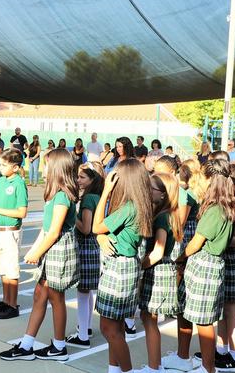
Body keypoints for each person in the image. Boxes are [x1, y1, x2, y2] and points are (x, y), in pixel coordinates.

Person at [0, 149, 78, 361]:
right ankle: (26, 345)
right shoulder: (55, 194)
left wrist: (36, 252)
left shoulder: (62, 196)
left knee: (56, 297)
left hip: (58, 250)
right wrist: (36, 250)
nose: (43, 169)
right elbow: (47, 229)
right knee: (40, 295)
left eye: (47, 165)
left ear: (57, 168)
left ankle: (59, 346)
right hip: (51, 250)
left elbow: (54, 232)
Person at [177, 159, 235, 373]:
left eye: (203, 177)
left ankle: (208, 368)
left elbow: (196, 243)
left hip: (205, 264)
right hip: (209, 264)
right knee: (192, 314)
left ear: (211, 180)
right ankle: (195, 362)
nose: (199, 182)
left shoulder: (215, 209)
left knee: (204, 322)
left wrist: (179, 258)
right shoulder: (226, 204)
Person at [92, 159, 153, 373]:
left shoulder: (129, 207)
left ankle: (126, 370)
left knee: (108, 328)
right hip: (125, 267)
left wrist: (106, 191)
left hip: (119, 269)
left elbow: (97, 226)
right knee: (116, 327)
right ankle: (114, 369)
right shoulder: (138, 204)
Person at [139, 172, 183, 372]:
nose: (147, 190)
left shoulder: (162, 217)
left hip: (157, 271)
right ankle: (154, 365)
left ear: (163, 194)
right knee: (149, 319)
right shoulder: (168, 214)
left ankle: (154, 366)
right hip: (162, 270)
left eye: (151, 188)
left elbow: (158, 252)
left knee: (149, 319)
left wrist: (138, 265)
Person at [0, 149, 29, 320]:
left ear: (16, 167)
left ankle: (12, 304)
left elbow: (21, 212)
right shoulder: (2, 181)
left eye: (4, 165)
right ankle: (5, 300)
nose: (0, 168)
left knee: (11, 270)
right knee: (2, 268)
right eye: (0, 164)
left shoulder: (18, 183)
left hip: (11, 231)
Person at [67, 164, 105, 348]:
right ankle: (86, 328)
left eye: (82, 177)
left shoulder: (89, 198)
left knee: (83, 291)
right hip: (94, 246)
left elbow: (86, 228)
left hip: (86, 245)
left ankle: (82, 336)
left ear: (92, 180)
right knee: (87, 291)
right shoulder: (98, 196)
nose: (78, 180)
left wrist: (71, 214)